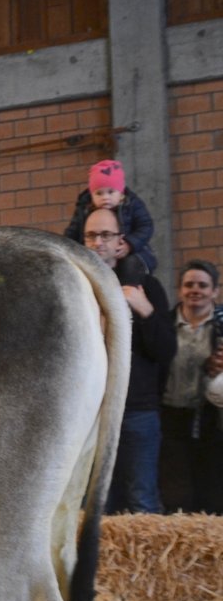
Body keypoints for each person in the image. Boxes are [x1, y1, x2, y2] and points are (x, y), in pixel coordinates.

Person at [84, 208, 175, 513]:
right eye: (91, 236)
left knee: (141, 501)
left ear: (120, 241)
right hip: (91, 413)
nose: (98, 242)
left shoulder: (146, 286)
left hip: (137, 411)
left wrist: (144, 309)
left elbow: (166, 350)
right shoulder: (78, 289)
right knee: (95, 503)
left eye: (105, 235)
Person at [159, 260, 223, 514]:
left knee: (213, 487)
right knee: (176, 491)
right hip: (170, 414)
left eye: (203, 285)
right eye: (189, 285)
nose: (195, 290)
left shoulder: (221, 325)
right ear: (180, 290)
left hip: (212, 417)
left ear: (215, 291)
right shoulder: (163, 324)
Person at [64, 159, 158, 274]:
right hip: (94, 255)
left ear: (121, 194)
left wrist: (130, 244)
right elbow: (72, 232)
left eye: (111, 192)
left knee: (130, 264)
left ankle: (130, 284)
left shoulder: (132, 204)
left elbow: (145, 226)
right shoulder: (84, 208)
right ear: (92, 196)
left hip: (131, 252)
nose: (105, 197)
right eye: (99, 193)